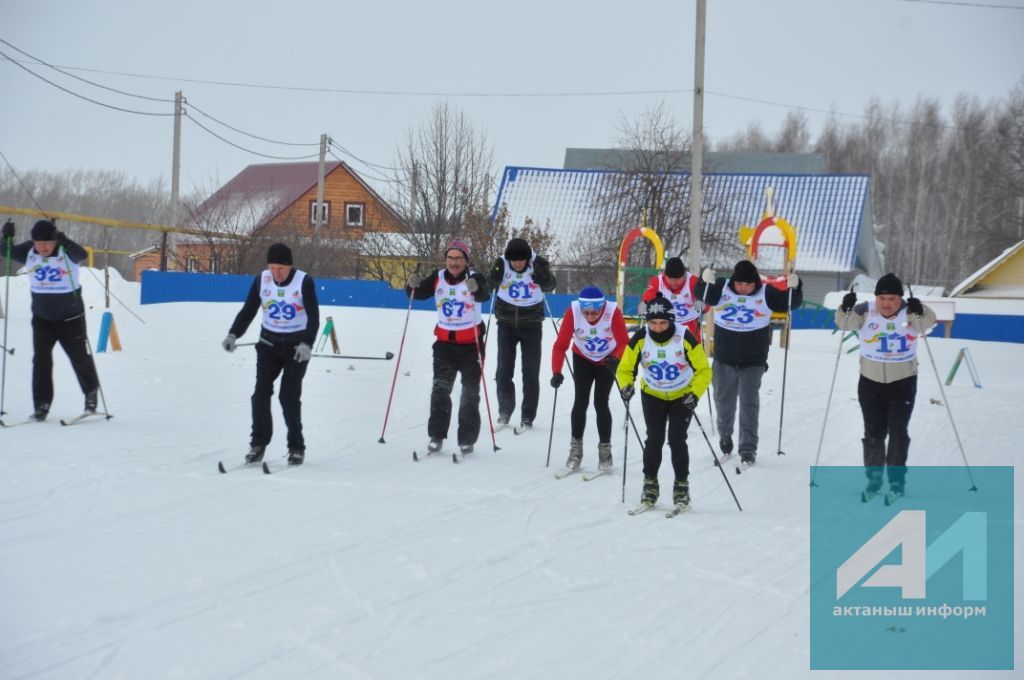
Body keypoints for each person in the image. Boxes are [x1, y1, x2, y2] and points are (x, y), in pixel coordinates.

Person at [835, 273, 936, 499]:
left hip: (902, 383)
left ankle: (897, 481)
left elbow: (926, 324)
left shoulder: (909, 310)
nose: (887, 303)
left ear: (900, 298)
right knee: (873, 432)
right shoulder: (865, 310)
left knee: (898, 432)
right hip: (870, 383)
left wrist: (921, 309)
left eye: (892, 298)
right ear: (876, 298)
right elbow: (843, 323)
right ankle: (874, 479)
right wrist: (845, 307)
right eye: (882, 298)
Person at [695, 259, 802, 465]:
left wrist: (795, 288)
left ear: (755, 284)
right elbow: (702, 293)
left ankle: (748, 449)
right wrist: (703, 279)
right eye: (740, 284)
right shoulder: (723, 287)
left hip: (753, 362)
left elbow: (790, 303)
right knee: (723, 401)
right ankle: (725, 437)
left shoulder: (766, 293)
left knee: (748, 403)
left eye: (748, 285)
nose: (743, 288)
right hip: (724, 359)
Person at [221, 243, 319, 466]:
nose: (276, 273)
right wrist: (233, 334)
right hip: (268, 345)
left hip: (296, 349)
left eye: (281, 268)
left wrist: (307, 344)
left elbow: (313, 317)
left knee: (288, 397)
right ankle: (258, 444)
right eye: (272, 267)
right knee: (260, 395)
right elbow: (248, 311)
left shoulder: (304, 282)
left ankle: (296, 447)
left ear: (290, 266)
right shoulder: (261, 280)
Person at [615, 293, 712, 510]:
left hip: (682, 396)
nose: (658, 328)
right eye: (653, 323)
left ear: (671, 321)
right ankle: (650, 483)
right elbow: (625, 369)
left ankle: (681, 486)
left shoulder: (685, 337)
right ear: (647, 322)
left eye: (662, 323)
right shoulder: (640, 338)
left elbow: (704, 371)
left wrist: (694, 394)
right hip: (652, 394)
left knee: (677, 439)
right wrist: (626, 385)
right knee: (654, 439)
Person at [1, 219, 101, 420]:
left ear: (55, 240)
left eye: (47, 242)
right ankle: (41, 405)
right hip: (42, 319)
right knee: (41, 361)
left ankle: (90, 395)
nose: (43, 247)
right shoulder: (30, 250)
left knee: (80, 358)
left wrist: (67, 242)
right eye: (39, 243)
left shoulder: (66, 251)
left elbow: (83, 255)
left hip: (71, 318)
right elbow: (5, 251)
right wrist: (6, 237)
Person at [407, 239, 490, 455]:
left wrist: (476, 288)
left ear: (465, 261)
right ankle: (436, 435)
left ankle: (467, 439)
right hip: (444, 345)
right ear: (446, 260)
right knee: (440, 390)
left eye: (458, 259)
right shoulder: (438, 277)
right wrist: (411, 285)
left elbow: (484, 294)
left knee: (470, 394)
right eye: (450, 258)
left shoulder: (475, 278)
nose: (454, 263)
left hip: (471, 345)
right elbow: (417, 293)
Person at [551, 286, 630, 471]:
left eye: (594, 313)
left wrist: (616, 357)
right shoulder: (573, 311)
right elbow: (560, 344)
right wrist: (556, 371)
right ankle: (575, 450)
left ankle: (605, 451)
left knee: (601, 403)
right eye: (586, 312)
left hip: (607, 360)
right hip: (583, 357)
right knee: (580, 402)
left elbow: (624, 341)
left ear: (601, 308)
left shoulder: (612, 312)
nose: (590, 317)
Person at [486, 237, 557, 431]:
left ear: (527, 258)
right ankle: (505, 412)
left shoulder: (539, 263)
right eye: (514, 261)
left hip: (531, 326)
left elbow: (551, 285)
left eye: (521, 260)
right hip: (506, 325)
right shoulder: (502, 263)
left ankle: (527, 417)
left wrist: (544, 278)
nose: (517, 264)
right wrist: (494, 276)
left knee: (530, 373)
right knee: (503, 371)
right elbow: (488, 284)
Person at [639, 256, 703, 340]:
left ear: (684, 276)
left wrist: (703, 305)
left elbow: (705, 303)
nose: (673, 283)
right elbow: (648, 297)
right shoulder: (657, 282)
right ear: (665, 276)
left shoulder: (693, 281)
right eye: (670, 279)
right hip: (665, 325)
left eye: (677, 279)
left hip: (689, 325)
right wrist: (644, 304)